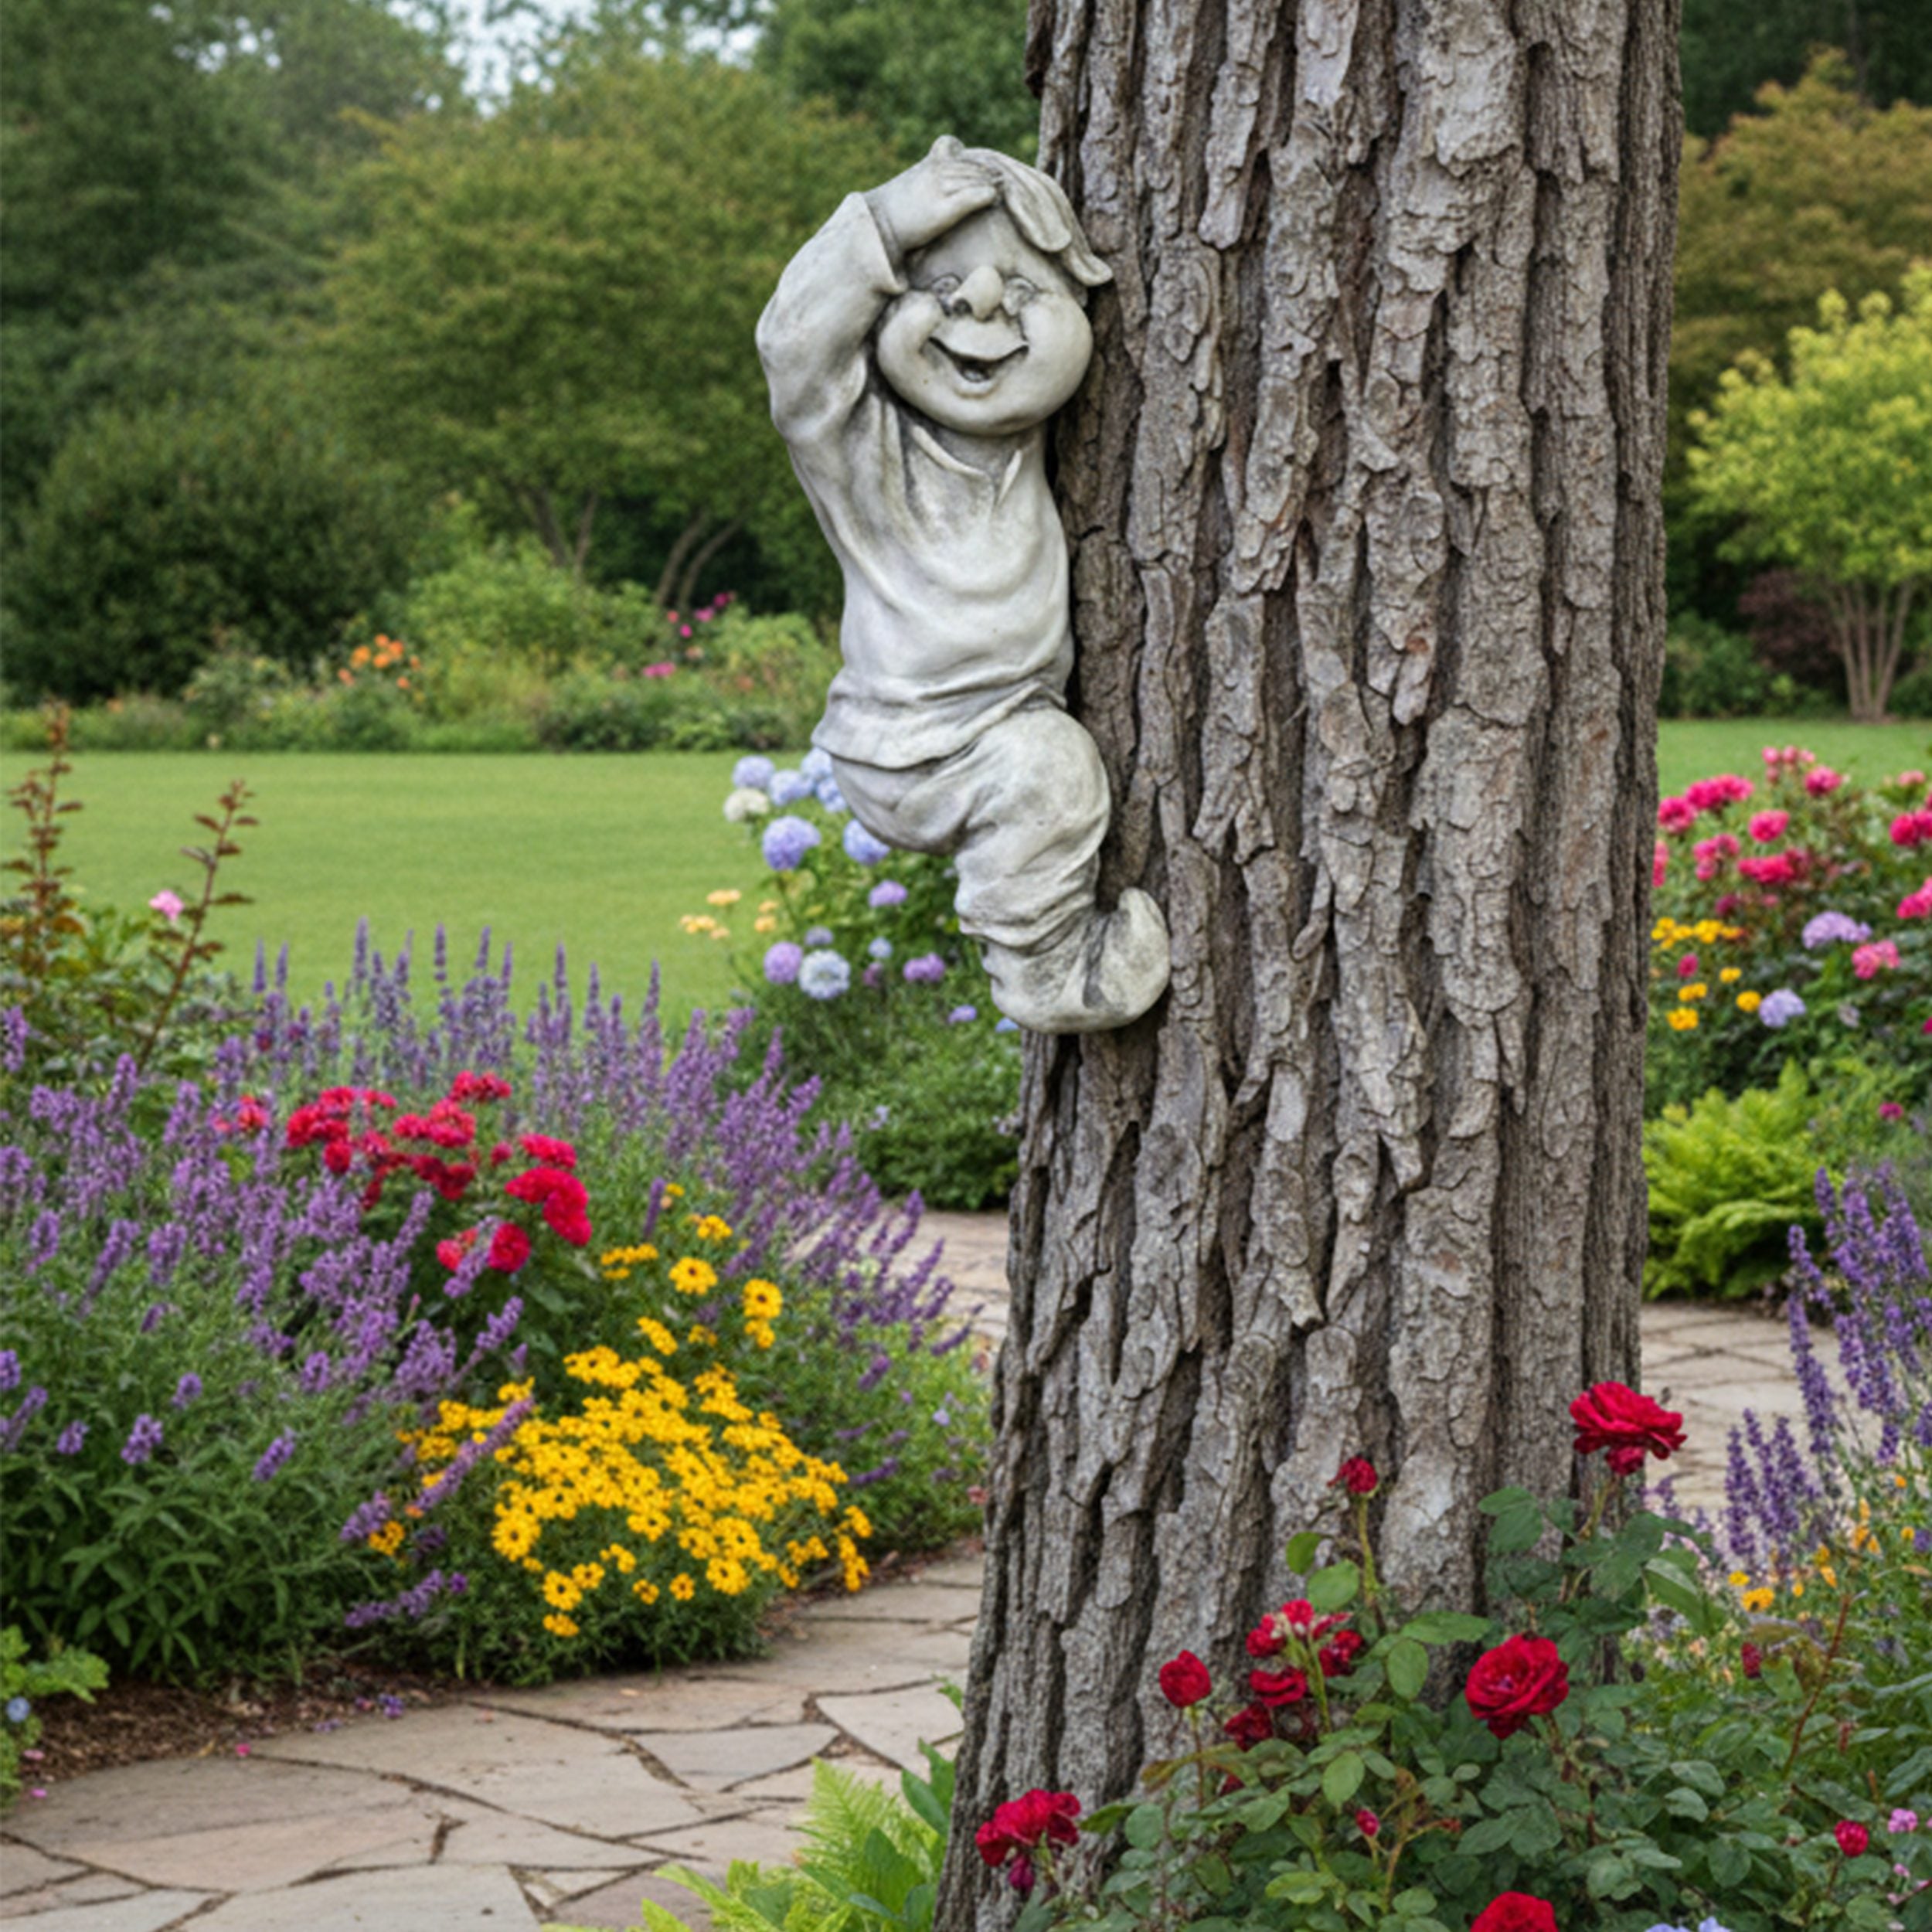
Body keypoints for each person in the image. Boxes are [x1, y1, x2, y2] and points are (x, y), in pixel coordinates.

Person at [756, 136, 1170, 1034]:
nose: (980, 304)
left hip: (985, 720)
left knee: (1043, 766)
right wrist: (882, 222)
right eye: (940, 285)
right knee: (1049, 771)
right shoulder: (868, 453)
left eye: (1022, 288)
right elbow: (793, 352)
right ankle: (1044, 974)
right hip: (915, 742)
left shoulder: (1025, 437)